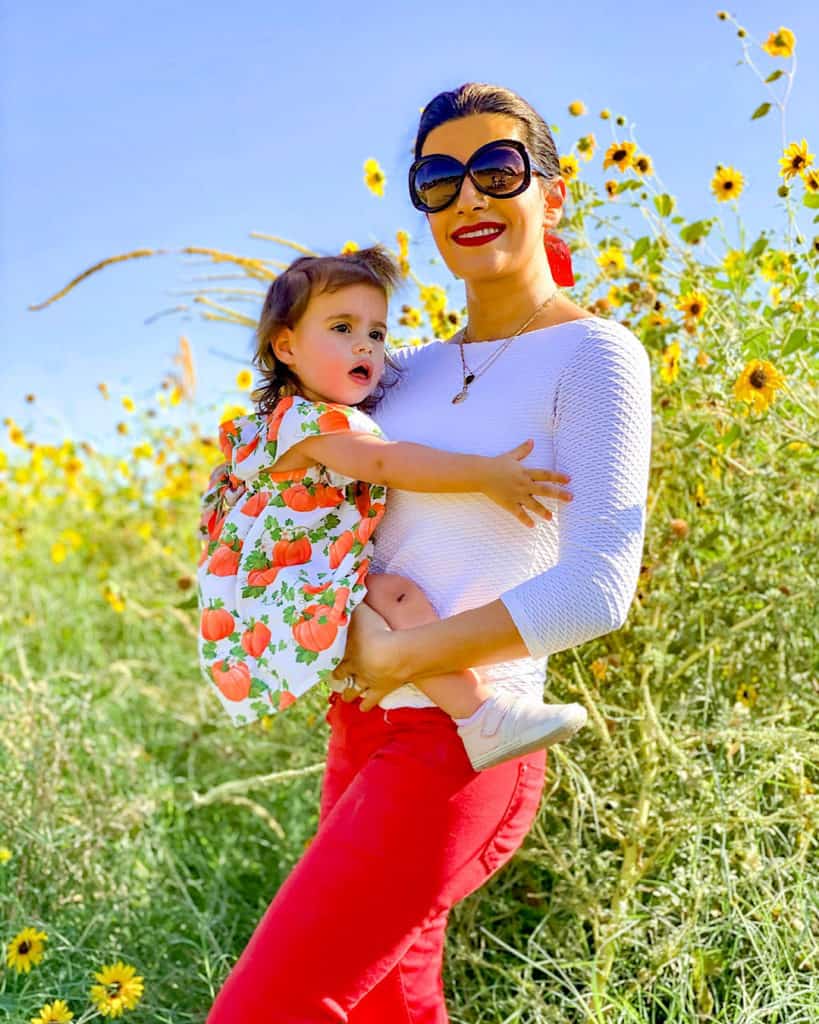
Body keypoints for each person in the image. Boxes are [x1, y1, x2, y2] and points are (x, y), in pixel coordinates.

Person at [206, 81, 652, 1023]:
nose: (469, 198)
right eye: (438, 179)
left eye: (497, 169)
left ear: (552, 192)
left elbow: (597, 590)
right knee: (388, 1012)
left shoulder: (595, 357)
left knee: (261, 1011)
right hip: (362, 732)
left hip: (462, 742)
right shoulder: (396, 373)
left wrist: (400, 654)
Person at [197, 243, 587, 771]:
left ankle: (481, 714)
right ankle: (481, 715)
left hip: (300, 572)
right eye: (341, 329)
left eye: (377, 334)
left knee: (388, 603)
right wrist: (484, 475)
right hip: (293, 578)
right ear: (286, 347)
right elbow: (386, 464)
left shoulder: (316, 414)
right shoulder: (307, 422)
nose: (366, 347)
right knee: (396, 595)